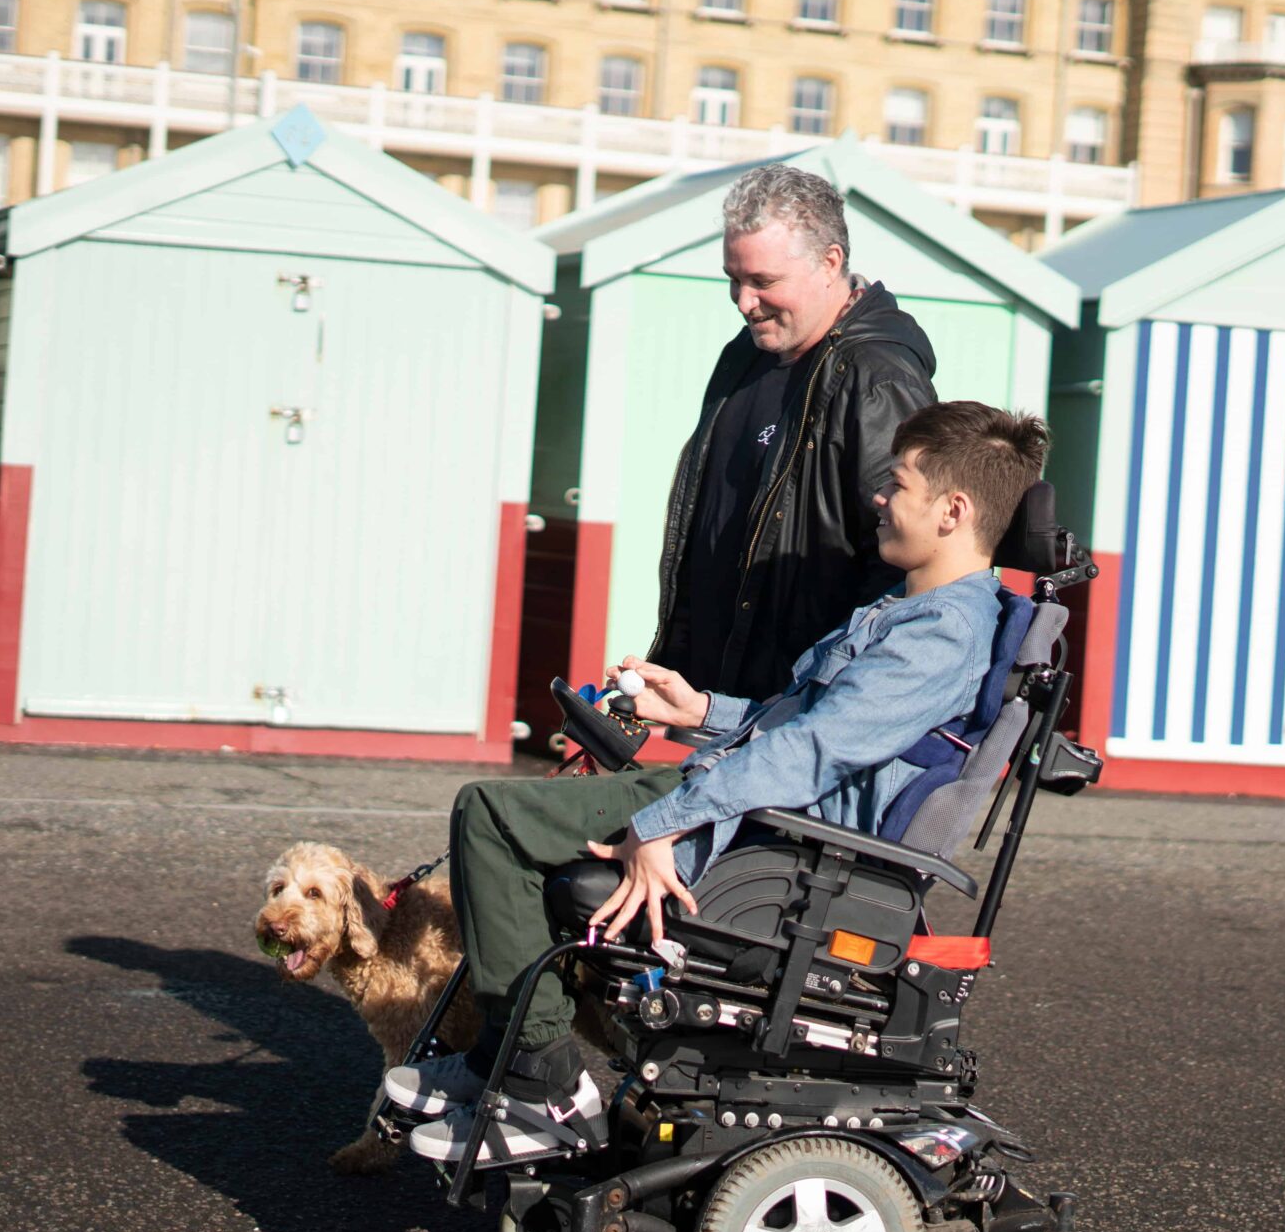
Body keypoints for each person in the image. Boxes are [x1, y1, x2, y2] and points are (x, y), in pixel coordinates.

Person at [391, 402, 1050, 1165]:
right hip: (747, 802)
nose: (879, 496)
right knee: (508, 824)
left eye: (897, 482)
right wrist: (696, 709)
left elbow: (812, 753)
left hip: (770, 846)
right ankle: (508, 1063)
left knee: (492, 816)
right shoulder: (911, 611)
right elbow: (800, 724)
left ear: (952, 510)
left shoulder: (941, 636)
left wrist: (666, 819)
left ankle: (542, 1083)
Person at [651, 164, 941, 702]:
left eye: (763, 282)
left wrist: (826, 698)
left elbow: (909, 562)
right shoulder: (745, 356)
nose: (743, 302)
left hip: (799, 716)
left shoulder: (878, 377)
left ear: (830, 263)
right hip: (716, 704)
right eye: (733, 279)